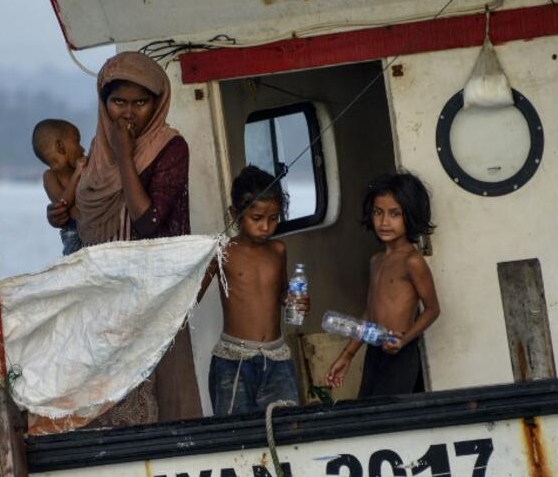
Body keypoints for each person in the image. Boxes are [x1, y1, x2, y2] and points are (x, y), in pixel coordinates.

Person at [46, 51, 198, 427]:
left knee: (162, 403)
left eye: (140, 103)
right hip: (104, 303)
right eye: (118, 102)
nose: (127, 114)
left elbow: (147, 221)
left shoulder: (170, 148)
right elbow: (86, 223)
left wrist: (126, 157)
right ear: (104, 102)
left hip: (155, 299)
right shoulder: (95, 153)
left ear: (157, 103)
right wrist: (60, 214)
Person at [198, 165, 307, 416]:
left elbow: (281, 294)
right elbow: (192, 298)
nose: (266, 227)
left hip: (277, 358)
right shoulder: (222, 253)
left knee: (286, 427)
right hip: (234, 360)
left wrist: (293, 300)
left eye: (273, 218)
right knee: (236, 435)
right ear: (235, 214)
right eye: (256, 219)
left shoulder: (278, 250)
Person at [327, 172, 440, 398]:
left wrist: (405, 339)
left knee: (390, 419)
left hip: (401, 353)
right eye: (378, 213)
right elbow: (370, 313)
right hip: (374, 351)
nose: (384, 222)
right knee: (368, 413)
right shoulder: (376, 261)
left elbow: (432, 309)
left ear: (410, 216)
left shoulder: (412, 261)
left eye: (394, 214)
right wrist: (347, 355)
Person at [32, 119, 87, 256]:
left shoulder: (82, 169)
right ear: (60, 147)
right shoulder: (50, 176)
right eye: (77, 142)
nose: (82, 149)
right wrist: (78, 174)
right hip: (73, 233)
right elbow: (63, 203)